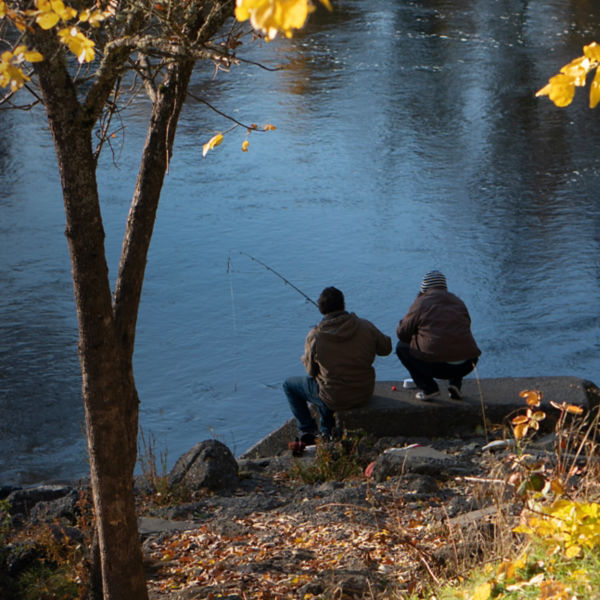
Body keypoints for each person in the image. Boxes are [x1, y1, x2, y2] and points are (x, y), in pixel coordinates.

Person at [283, 286, 392, 445]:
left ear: (321, 309)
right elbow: (386, 349)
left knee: (290, 385)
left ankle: (308, 430)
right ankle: (327, 430)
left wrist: (306, 358)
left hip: (334, 398)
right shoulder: (365, 326)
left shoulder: (315, 336)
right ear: (343, 305)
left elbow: (311, 372)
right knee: (326, 386)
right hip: (363, 392)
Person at [396, 270, 481, 401]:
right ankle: (455, 384)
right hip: (467, 364)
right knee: (456, 341)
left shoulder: (421, 303)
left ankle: (429, 388)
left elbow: (402, 333)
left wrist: (416, 338)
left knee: (401, 348)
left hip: (436, 366)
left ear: (423, 288)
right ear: (445, 287)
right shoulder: (458, 302)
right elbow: (466, 327)